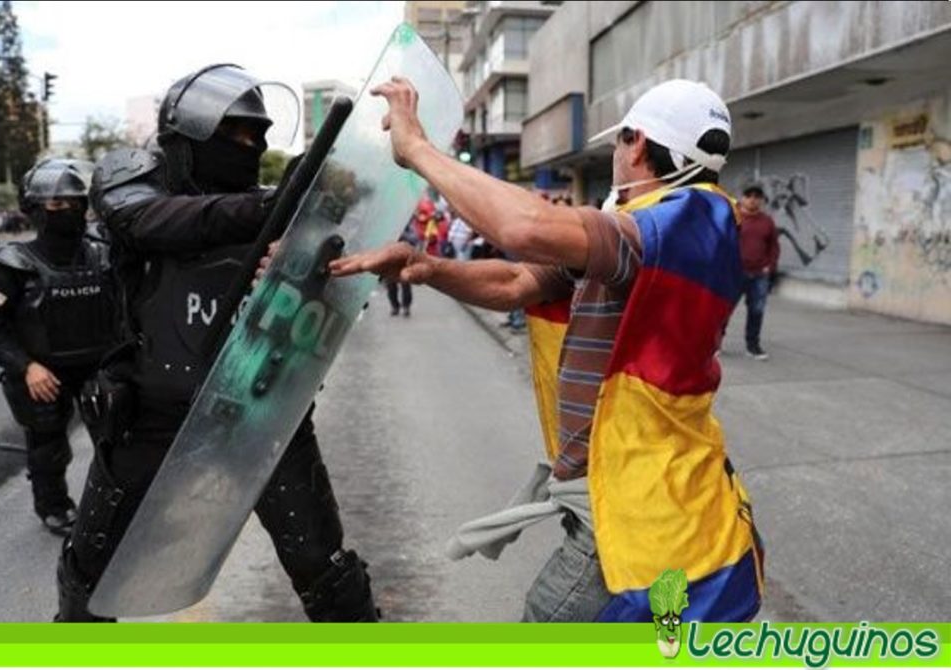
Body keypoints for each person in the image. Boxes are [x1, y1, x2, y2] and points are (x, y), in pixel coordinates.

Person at [332, 78, 763, 622]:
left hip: (634, 500)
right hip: (627, 487)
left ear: (635, 143)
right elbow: (517, 281)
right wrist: (429, 267)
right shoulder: (664, 230)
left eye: (619, 142)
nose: (614, 154)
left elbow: (523, 227)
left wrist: (417, 149)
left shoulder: (671, 228)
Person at [56, 64, 378, 623]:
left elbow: (337, 292)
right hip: (149, 414)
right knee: (88, 580)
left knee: (326, 573)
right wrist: (278, 206)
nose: (249, 146)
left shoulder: (274, 207)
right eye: (233, 134)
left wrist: (320, 227)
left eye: (256, 135)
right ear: (188, 136)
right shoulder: (134, 178)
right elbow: (151, 222)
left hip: (260, 409)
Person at [0, 158, 118, 536]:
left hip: (99, 364)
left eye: (72, 204)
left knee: (119, 437)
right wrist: (26, 366)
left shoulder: (105, 255)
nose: (64, 211)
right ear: (34, 211)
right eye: (53, 206)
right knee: (48, 444)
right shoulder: (12, 266)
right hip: (42, 371)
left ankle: (118, 506)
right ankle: (54, 507)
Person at [738, 183, 780, 360]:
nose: (753, 199)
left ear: (762, 200)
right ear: (743, 198)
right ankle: (714, 345)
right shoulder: (734, 218)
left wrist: (770, 267)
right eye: (749, 195)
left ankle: (753, 346)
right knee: (723, 310)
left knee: (756, 310)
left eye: (757, 196)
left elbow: (774, 247)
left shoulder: (767, 221)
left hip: (759, 275)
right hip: (734, 273)